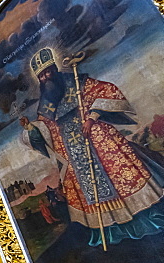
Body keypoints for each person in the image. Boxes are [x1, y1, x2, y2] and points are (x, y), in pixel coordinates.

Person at [19, 48, 164, 247]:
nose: (45, 77)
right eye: (41, 75)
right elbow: (45, 130)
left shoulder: (77, 82)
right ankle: (112, 231)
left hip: (97, 140)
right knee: (89, 191)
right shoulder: (45, 104)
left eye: (47, 71)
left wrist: (92, 117)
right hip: (73, 151)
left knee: (119, 176)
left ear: (54, 68)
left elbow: (108, 91)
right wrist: (30, 130)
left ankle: (147, 218)